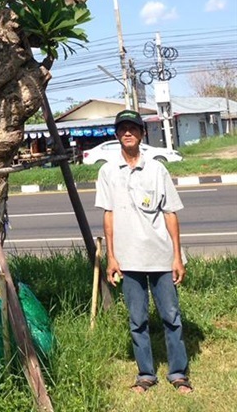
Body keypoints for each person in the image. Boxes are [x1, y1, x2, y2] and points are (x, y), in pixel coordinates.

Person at [95, 109, 193, 395]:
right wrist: (111, 258)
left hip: (161, 256)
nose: (128, 132)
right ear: (116, 135)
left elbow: (171, 214)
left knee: (171, 317)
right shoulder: (108, 172)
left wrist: (177, 257)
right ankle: (146, 374)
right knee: (137, 320)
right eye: (122, 128)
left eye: (133, 128)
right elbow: (109, 217)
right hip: (128, 259)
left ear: (142, 133)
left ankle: (178, 373)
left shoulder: (156, 169)